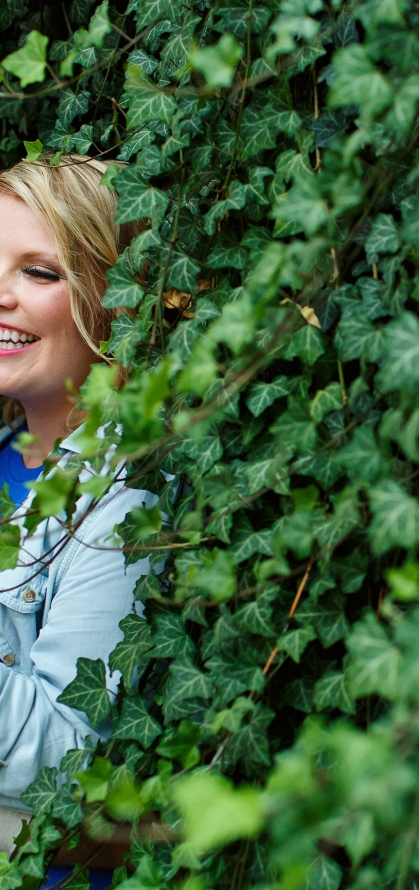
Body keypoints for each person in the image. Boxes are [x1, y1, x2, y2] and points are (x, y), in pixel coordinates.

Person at [0, 155, 155, 885]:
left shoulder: (124, 498)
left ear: (115, 299)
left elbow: (67, 763)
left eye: (39, 272)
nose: (1, 295)